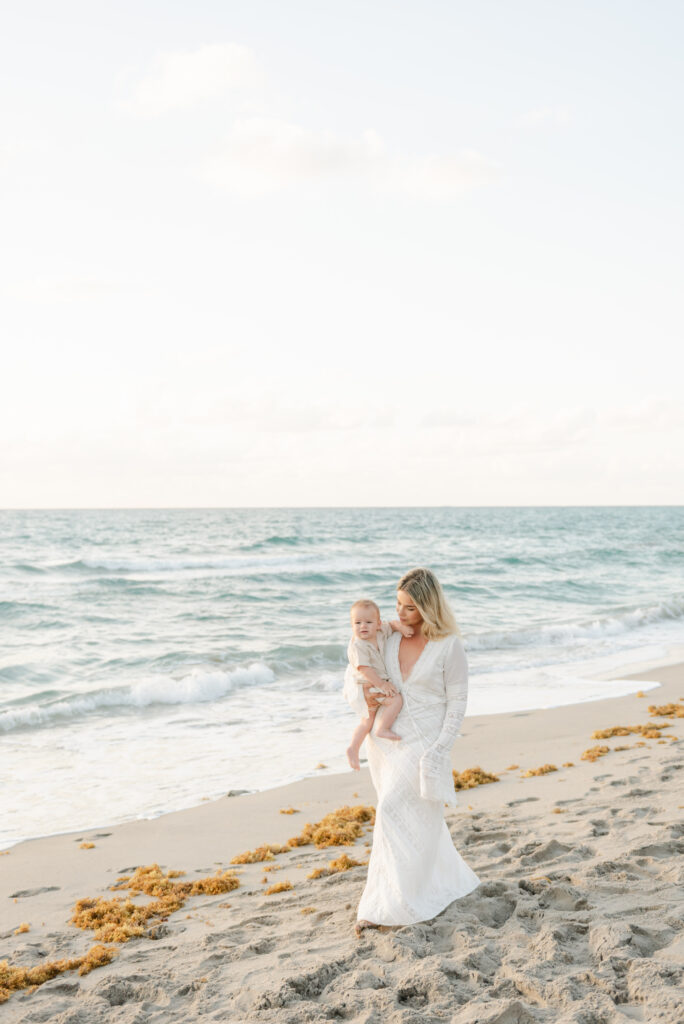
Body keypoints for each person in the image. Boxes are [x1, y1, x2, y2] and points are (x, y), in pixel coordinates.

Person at [343, 568, 480, 933]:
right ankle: (422, 888)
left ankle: (387, 909)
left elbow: (458, 702)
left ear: (427, 607)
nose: (400, 615)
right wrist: (366, 695)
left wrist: (440, 749)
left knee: (392, 811)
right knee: (412, 821)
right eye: (398, 606)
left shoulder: (448, 645)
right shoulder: (388, 638)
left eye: (409, 609)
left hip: (424, 740)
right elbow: (356, 673)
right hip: (386, 740)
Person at [344, 600, 412, 771]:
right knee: (396, 700)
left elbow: (393, 624)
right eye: (357, 623)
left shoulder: (382, 631)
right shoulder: (358, 645)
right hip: (369, 685)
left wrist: (401, 628)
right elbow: (365, 668)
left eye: (368, 622)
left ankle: (353, 747)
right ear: (352, 625)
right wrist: (382, 684)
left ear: (378, 624)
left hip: (371, 688)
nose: (363, 627)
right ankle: (383, 728)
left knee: (367, 721)